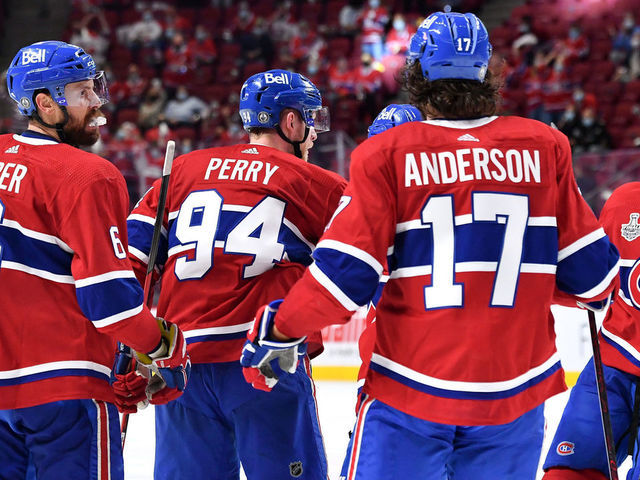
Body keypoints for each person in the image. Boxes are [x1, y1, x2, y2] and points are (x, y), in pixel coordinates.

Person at [240, 12, 620, 479]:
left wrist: (281, 327)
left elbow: (345, 278)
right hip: (517, 399)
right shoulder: (545, 146)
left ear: (415, 75)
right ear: (487, 73)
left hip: (411, 394)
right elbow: (597, 280)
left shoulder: (386, 153)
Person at [124, 69, 347, 479]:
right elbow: (359, 265)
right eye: (311, 118)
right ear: (290, 121)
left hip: (181, 367)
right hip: (264, 363)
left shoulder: (184, 170)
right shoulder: (317, 182)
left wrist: (126, 344)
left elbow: (128, 262)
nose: (315, 132)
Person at [0, 40, 189, 480]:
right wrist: (162, 345)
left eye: (94, 88)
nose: (98, 103)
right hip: (64, 389)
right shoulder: (87, 175)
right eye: (83, 93)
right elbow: (110, 299)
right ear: (46, 104)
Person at [543, 182, 640, 480]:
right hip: (613, 364)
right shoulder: (626, 201)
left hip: (615, 362)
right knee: (566, 473)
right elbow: (597, 279)